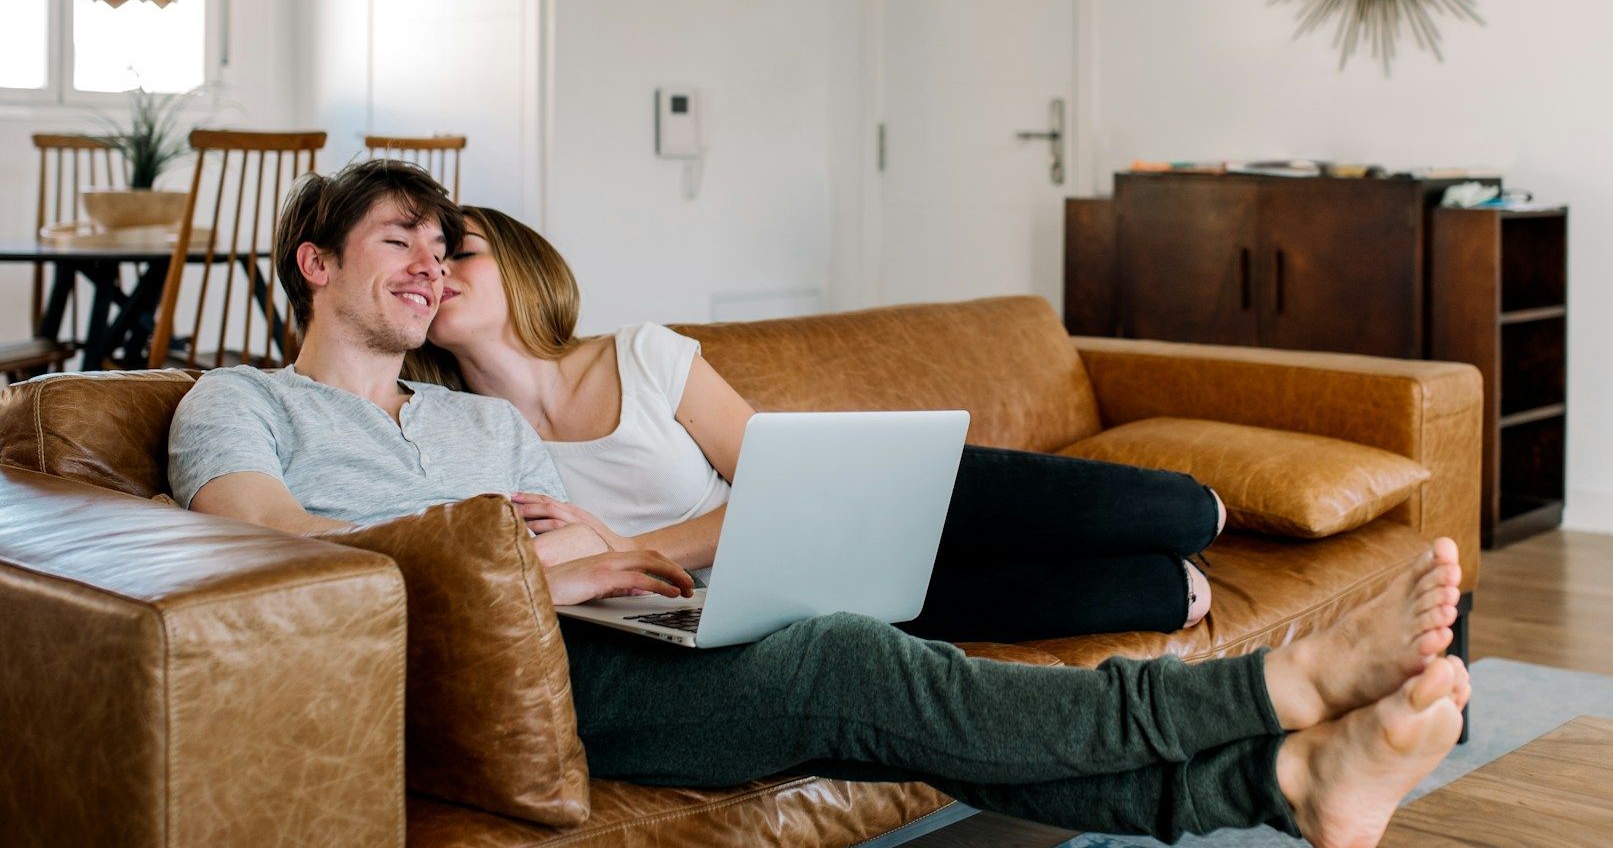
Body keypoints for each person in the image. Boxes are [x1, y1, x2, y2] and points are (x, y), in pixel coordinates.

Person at [166, 160, 1470, 848]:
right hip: (492, 666)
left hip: (619, 627)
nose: (427, 266)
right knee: (852, 661)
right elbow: (272, 555)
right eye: (398, 240)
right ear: (317, 264)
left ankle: (1291, 779)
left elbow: (596, 538)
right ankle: (1271, 693)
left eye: (443, 244)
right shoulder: (237, 401)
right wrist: (518, 573)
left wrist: (618, 562)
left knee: (903, 698)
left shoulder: (474, 420)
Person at [406, 206, 1229, 642]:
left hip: (852, 502)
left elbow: (783, 480)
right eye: (425, 263)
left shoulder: (641, 355)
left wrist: (631, 550)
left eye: (461, 252)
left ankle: (1197, 514)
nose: (438, 273)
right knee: (1173, 591)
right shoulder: (467, 439)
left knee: (1187, 515)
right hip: (780, 602)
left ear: (520, 265)